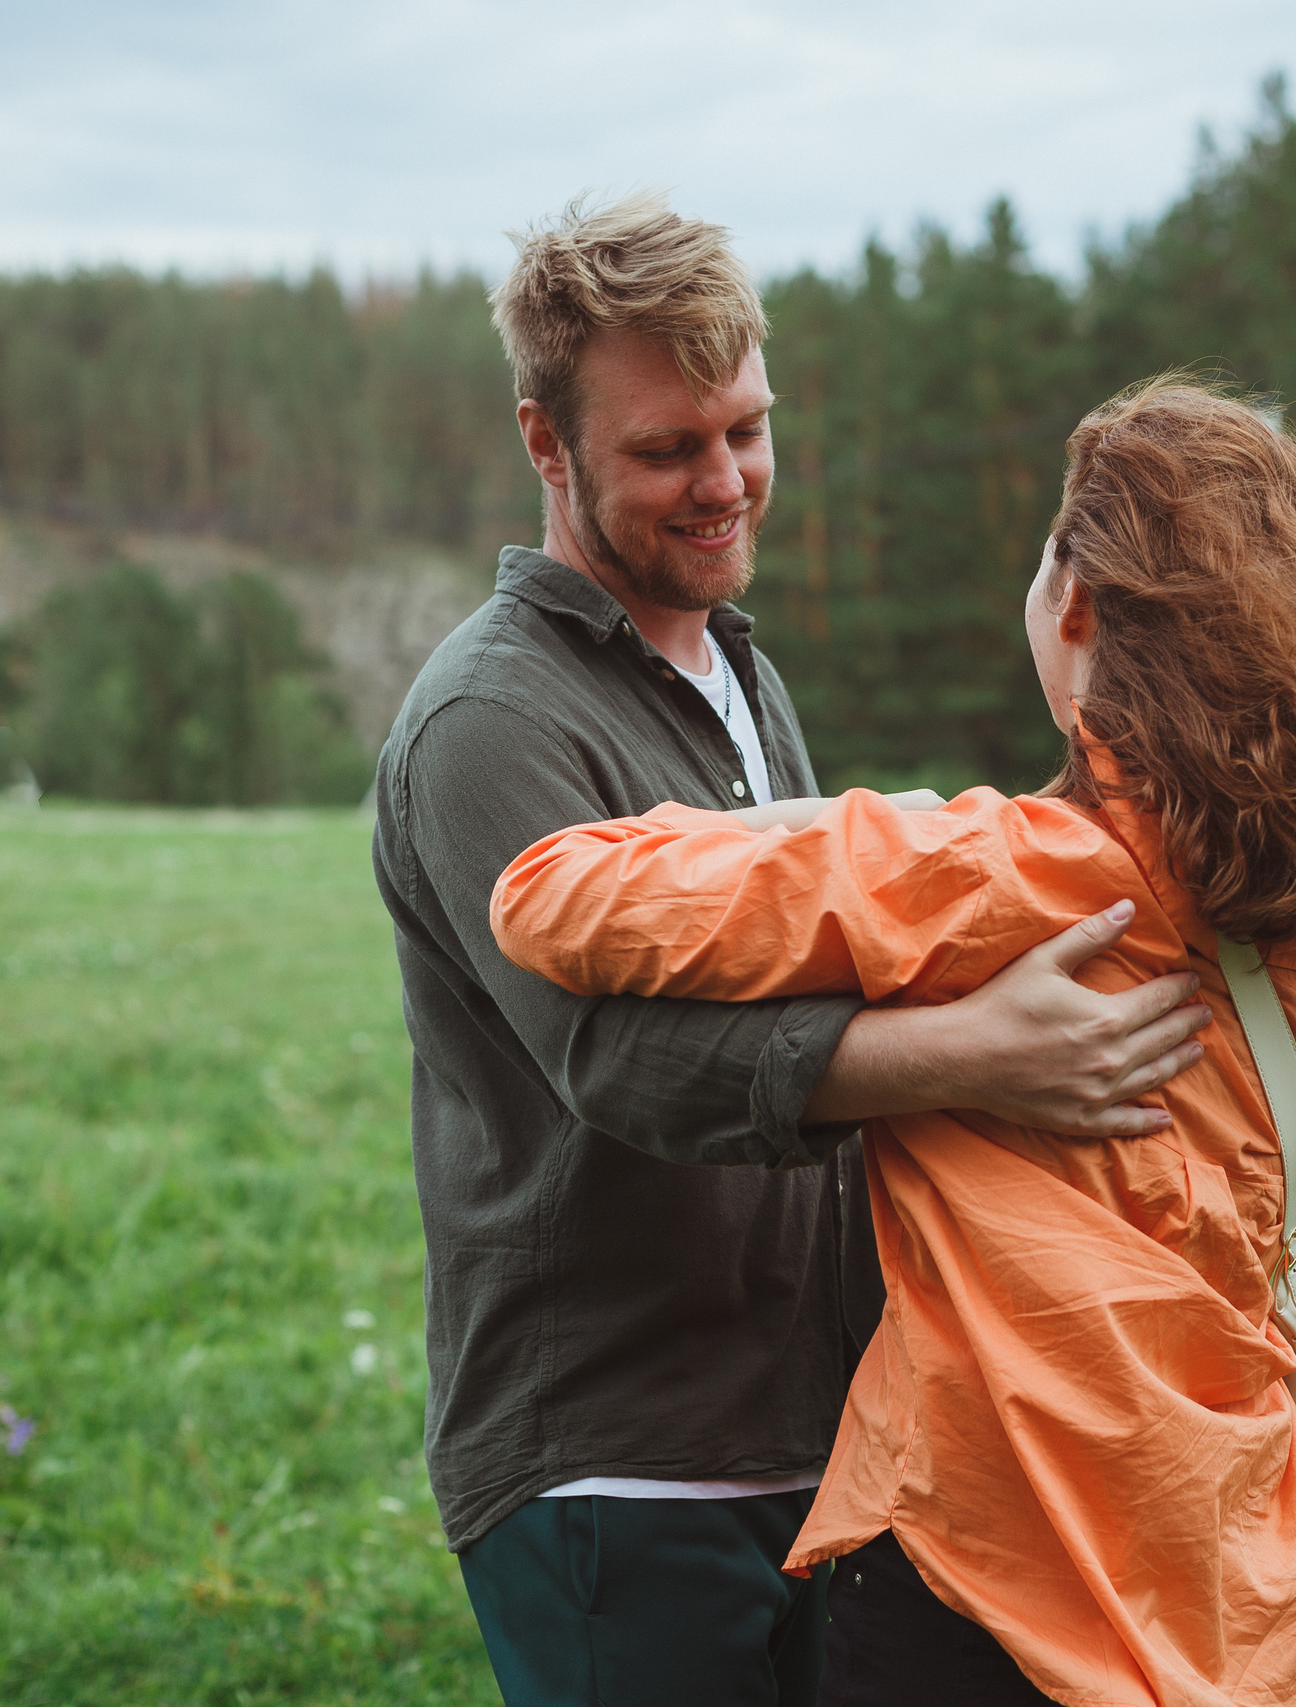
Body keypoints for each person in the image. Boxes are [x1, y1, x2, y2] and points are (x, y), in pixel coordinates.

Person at [492, 378, 1296, 1705]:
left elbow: (549, 895)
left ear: (1081, 610)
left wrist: (848, 822)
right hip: (1210, 1578)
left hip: (981, 1589)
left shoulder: (996, 875)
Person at [369, 198, 1214, 1707]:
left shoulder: (735, 673)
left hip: (823, 1435)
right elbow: (614, 1065)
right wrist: (979, 1059)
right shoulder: (489, 720)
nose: (725, 481)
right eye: (666, 449)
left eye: (746, 429)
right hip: (618, 1464)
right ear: (545, 443)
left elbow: (829, 941)